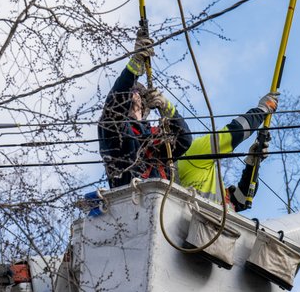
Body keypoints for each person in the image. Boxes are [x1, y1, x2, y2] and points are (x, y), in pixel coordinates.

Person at [98, 29, 192, 188]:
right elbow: (114, 108)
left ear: (143, 102)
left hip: (161, 203)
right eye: (129, 92)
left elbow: (184, 140)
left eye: (133, 92)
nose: (129, 96)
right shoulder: (113, 132)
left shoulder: (155, 137)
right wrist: (134, 66)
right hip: (130, 200)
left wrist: (168, 109)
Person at [177, 92, 279, 211]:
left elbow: (241, 200)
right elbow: (235, 132)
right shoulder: (192, 154)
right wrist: (262, 110)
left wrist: (251, 164)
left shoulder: (193, 172)